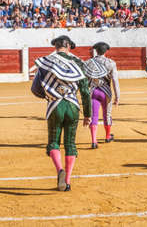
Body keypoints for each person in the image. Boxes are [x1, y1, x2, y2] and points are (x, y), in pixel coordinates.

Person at [31, 36, 91, 191]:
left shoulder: (46, 62)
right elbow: (85, 90)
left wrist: (49, 96)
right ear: (69, 47)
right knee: (70, 143)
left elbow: (35, 88)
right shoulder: (78, 62)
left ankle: (59, 170)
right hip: (72, 106)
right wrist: (88, 114)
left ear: (55, 46)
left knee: (53, 142)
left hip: (54, 106)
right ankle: (68, 181)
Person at [84, 42, 120, 149]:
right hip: (106, 92)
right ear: (106, 51)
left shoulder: (89, 62)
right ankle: (108, 136)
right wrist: (117, 97)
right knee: (107, 115)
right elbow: (115, 81)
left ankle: (94, 141)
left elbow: (85, 80)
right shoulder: (111, 63)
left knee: (93, 116)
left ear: (96, 51)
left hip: (93, 91)